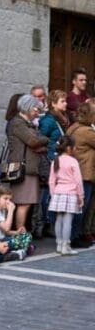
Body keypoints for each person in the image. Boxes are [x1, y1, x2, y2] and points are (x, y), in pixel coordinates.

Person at [6, 94, 49, 232]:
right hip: (23, 169)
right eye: (36, 109)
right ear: (28, 107)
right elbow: (33, 141)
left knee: (26, 204)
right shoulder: (18, 123)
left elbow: (35, 142)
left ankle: (21, 233)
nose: (37, 112)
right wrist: (45, 139)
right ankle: (20, 235)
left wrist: (39, 141)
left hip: (29, 168)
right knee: (23, 204)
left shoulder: (27, 124)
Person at [37, 89, 68, 237]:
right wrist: (52, 147)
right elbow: (41, 138)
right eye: (62, 101)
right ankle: (46, 223)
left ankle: (50, 222)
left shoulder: (61, 118)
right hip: (50, 158)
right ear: (53, 104)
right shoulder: (49, 120)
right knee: (48, 193)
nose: (66, 104)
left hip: (58, 158)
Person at [49, 135, 85, 255]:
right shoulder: (73, 161)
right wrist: (81, 196)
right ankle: (66, 246)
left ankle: (59, 244)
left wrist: (53, 193)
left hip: (58, 192)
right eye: (74, 147)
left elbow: (51, 180)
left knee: (59, 219)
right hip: (71, 193)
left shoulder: (56, 160)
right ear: (69, 148)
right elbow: (78, 181)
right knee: (68, 221)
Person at [68, 102, 95, 248]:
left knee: (79, 206)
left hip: (78, 171)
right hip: (85, 172)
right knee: (81, 207)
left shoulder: (73, 127)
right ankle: (75, 236)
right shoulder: (86, 131)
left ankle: (77, 234)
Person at [0, 187, 31, 259]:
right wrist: (10, 211)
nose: (8, 202)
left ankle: (16, 252)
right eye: (5, 198)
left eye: (10, 199)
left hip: (3, 238)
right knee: (22, 242)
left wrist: (17, 232)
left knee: (27, 236)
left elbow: (5, 231)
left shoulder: (2, 210)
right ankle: (17, 252)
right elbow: (6, 228)